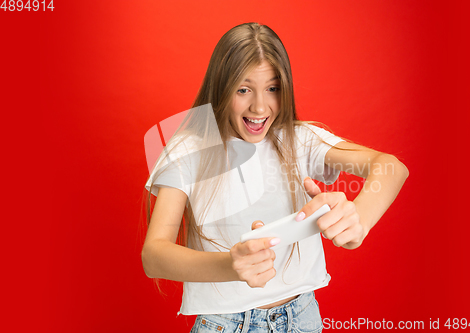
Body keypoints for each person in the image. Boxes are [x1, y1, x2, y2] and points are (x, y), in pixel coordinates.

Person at [142, 22, 408, 333]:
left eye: (273, 88)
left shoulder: (298, 139)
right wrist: (230, 265)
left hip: (303, 317)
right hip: (225, 323)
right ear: (221, 88)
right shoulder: (189, 149)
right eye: (243, 89)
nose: (259, 106)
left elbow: (391, 167)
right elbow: (154, 255)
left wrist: (359, 217)